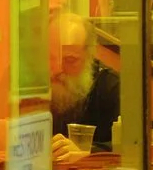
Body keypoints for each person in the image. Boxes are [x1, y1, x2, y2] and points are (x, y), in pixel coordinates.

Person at [50, 12, 121, 146]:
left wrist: (86, 152)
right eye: (50, 58)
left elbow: (131, 146)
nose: (57, 69)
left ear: (89, 56)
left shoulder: (112, 88)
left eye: (69, 60)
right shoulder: (33, 88)